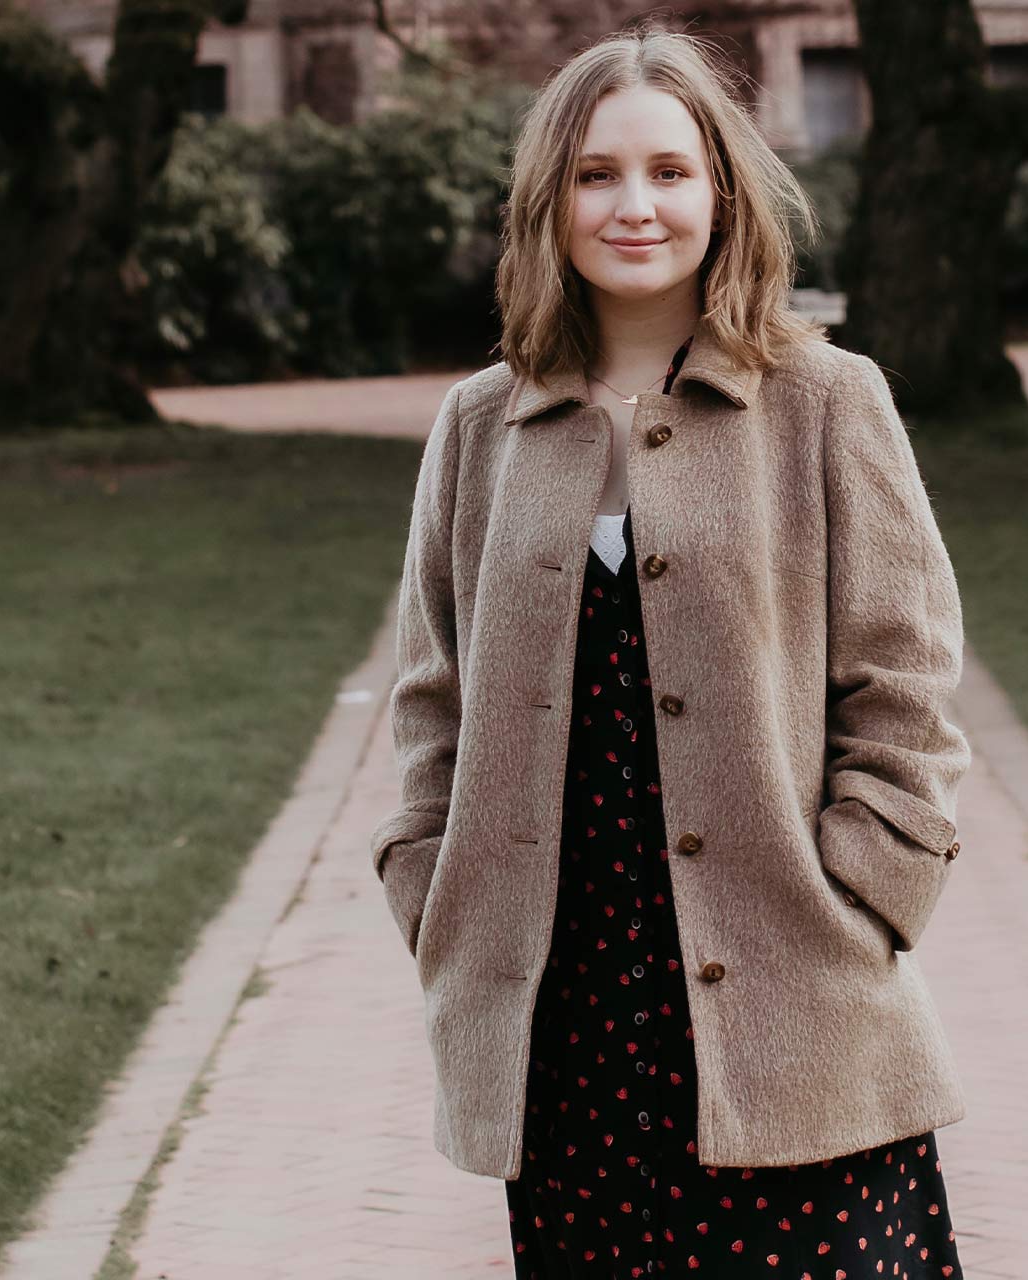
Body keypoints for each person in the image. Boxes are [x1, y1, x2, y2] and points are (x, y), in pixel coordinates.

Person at [368, 20, 973, 1279]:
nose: (634, 205)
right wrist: (426, 884)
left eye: (668, 171)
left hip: (793, 994)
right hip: (563, 1023)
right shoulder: (481, 426)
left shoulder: (825, 398)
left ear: (723, 192)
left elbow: (905, 680)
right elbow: (432, 696)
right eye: (597, 174)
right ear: (550, 201)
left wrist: (870, 884)